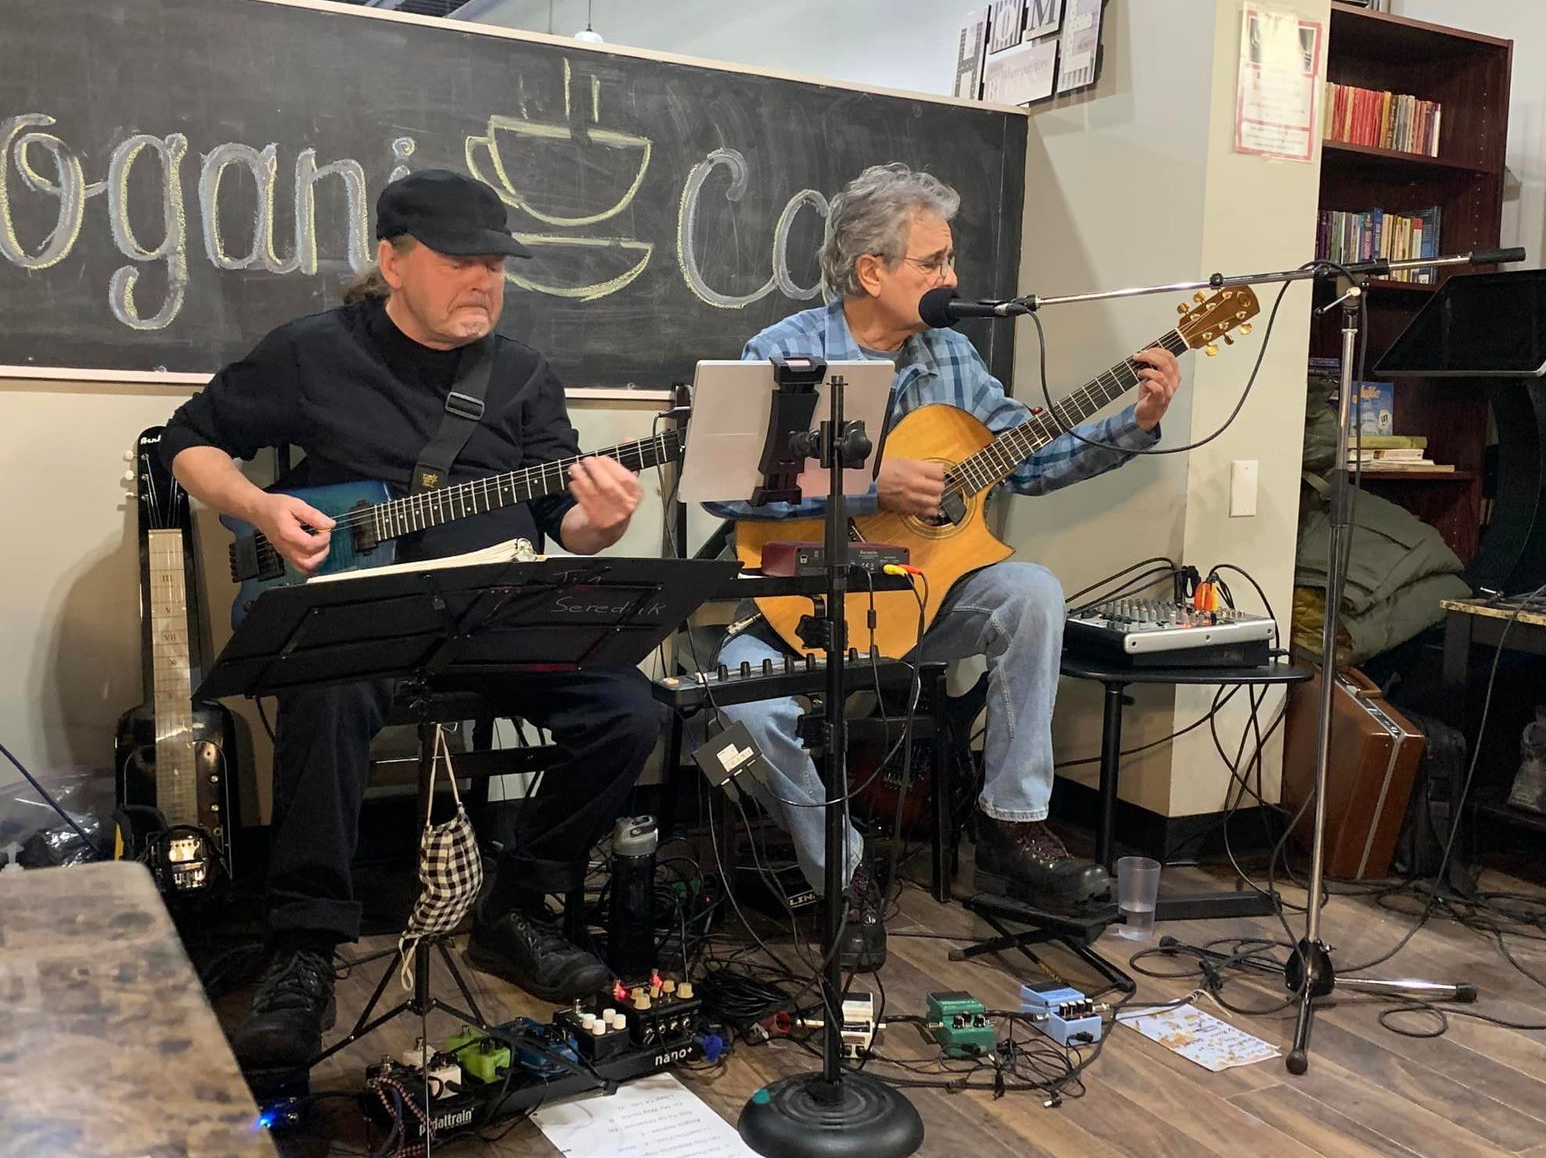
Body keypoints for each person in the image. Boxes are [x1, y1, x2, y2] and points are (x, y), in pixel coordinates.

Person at [160, 170, 659, 1073]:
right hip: (367, 614)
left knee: (629, 710)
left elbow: (569, 525)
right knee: (327, 686)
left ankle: (516, 908)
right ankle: (305, 948)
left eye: (495, 265)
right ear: (393, 262)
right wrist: (262, 508)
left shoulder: (522, 375)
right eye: (460, 261)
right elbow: (187, 442)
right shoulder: (314, 352)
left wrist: (607, 520)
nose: (484, 281)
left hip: (494, 615)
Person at [708, 163, 1180, 970]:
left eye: (949, 259)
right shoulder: (785, 352)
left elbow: (1029, 462)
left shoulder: (953, 355)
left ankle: (1012, 824)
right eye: (933, 262)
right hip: (803, 605)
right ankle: (844, 875)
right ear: (871, 270)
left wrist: (1134, 422)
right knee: (747, 712)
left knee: (1030, 591)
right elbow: (727, 487)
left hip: (921, 602)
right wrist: (868, 484)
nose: (951, 278)